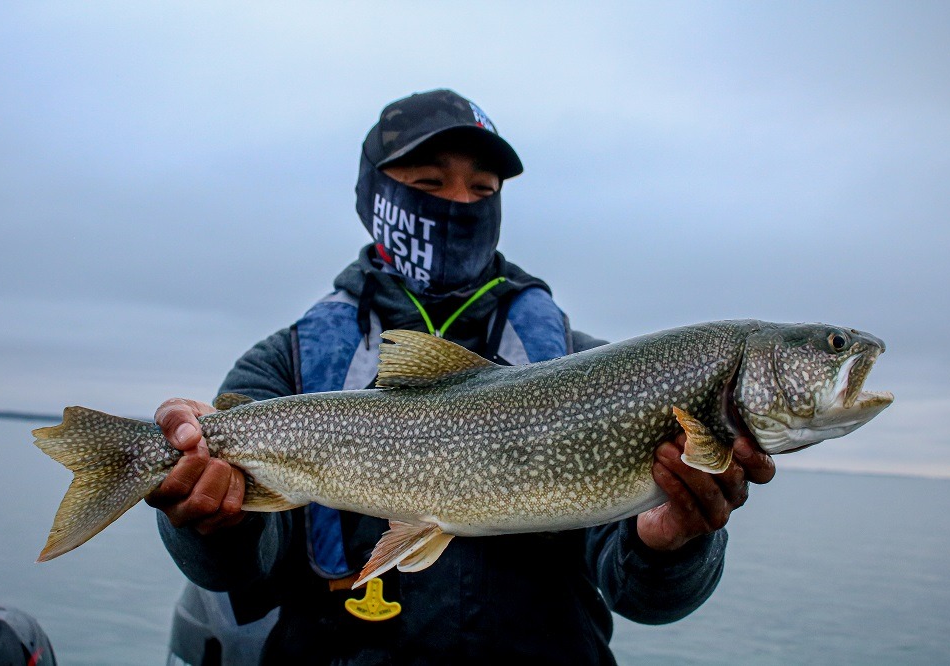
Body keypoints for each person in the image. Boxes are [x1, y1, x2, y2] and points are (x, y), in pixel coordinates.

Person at [147, 89, 776, 664]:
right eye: (429, 181)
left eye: (482, 188)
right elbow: (240, 568)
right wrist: (204, 513)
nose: (459, 203)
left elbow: (644, 598)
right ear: (376, 197)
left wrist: (674, 545)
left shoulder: (594, 375)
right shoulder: (285, 364)